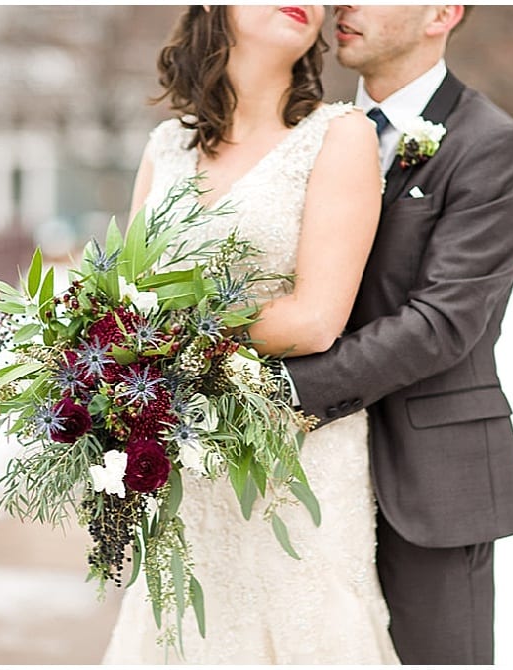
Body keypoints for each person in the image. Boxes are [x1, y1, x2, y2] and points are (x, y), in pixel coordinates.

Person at [101, 5, 398, 664]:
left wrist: (167, 336)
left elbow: (317, 318)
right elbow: (123, 305)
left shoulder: (339, 135)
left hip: (293, 459)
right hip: (183, 459)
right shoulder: (166, 145)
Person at [283, 5, 513, 665]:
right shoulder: (307, 135)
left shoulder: (491, 144)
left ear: (442, 12)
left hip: (431, 481)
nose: (343, 6)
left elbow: (444, 322)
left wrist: (284, 389)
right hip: (300, 477)